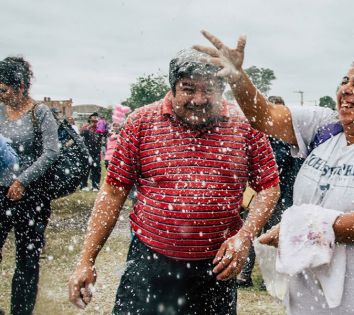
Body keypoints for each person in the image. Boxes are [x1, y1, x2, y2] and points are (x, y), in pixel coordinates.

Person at [195, 30, 354, 314]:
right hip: (309, 298)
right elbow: (263, 115)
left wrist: (302, 230)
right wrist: (237, 77)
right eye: (344, 81)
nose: (346, 89)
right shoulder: (325, 126)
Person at [68, 49, 280, 315]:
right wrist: (87, 260)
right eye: (188, 89)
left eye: (210, 90)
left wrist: (245, 237)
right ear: (172, 87)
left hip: (215, 268)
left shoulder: (244, 125)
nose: (199, 99)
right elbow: (112, 193)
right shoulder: (141, 123)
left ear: (223, 89)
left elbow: (269, 186)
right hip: (150, 263)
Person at [0, 56, 60, 315]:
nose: (0, 95)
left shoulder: (40, 113)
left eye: (4, 90)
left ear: (21, 86)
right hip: (0, 193)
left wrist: (22, 181)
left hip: (31, 195)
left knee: (27, 258)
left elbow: (51, 153)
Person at [237, 95, 304, 288]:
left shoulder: (290, 139)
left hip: (282, 198)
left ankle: (271, 279)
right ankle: (245, 275)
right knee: (250, 234)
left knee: (276, 238)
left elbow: (295, 170)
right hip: (260, 197)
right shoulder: (260, 136)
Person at [79, 112, 103, 191]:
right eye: (93, 120)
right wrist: (90, 126)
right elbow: (81, 133)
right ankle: (83, 185)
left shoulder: (100, 128)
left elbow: (105, 134)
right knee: (86, 168)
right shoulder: (86, 126)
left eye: (96, 120)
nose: (94, 122)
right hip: (87, 151)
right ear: (90, 119)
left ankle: (95, 186)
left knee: (96, 169)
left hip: (96, 151)